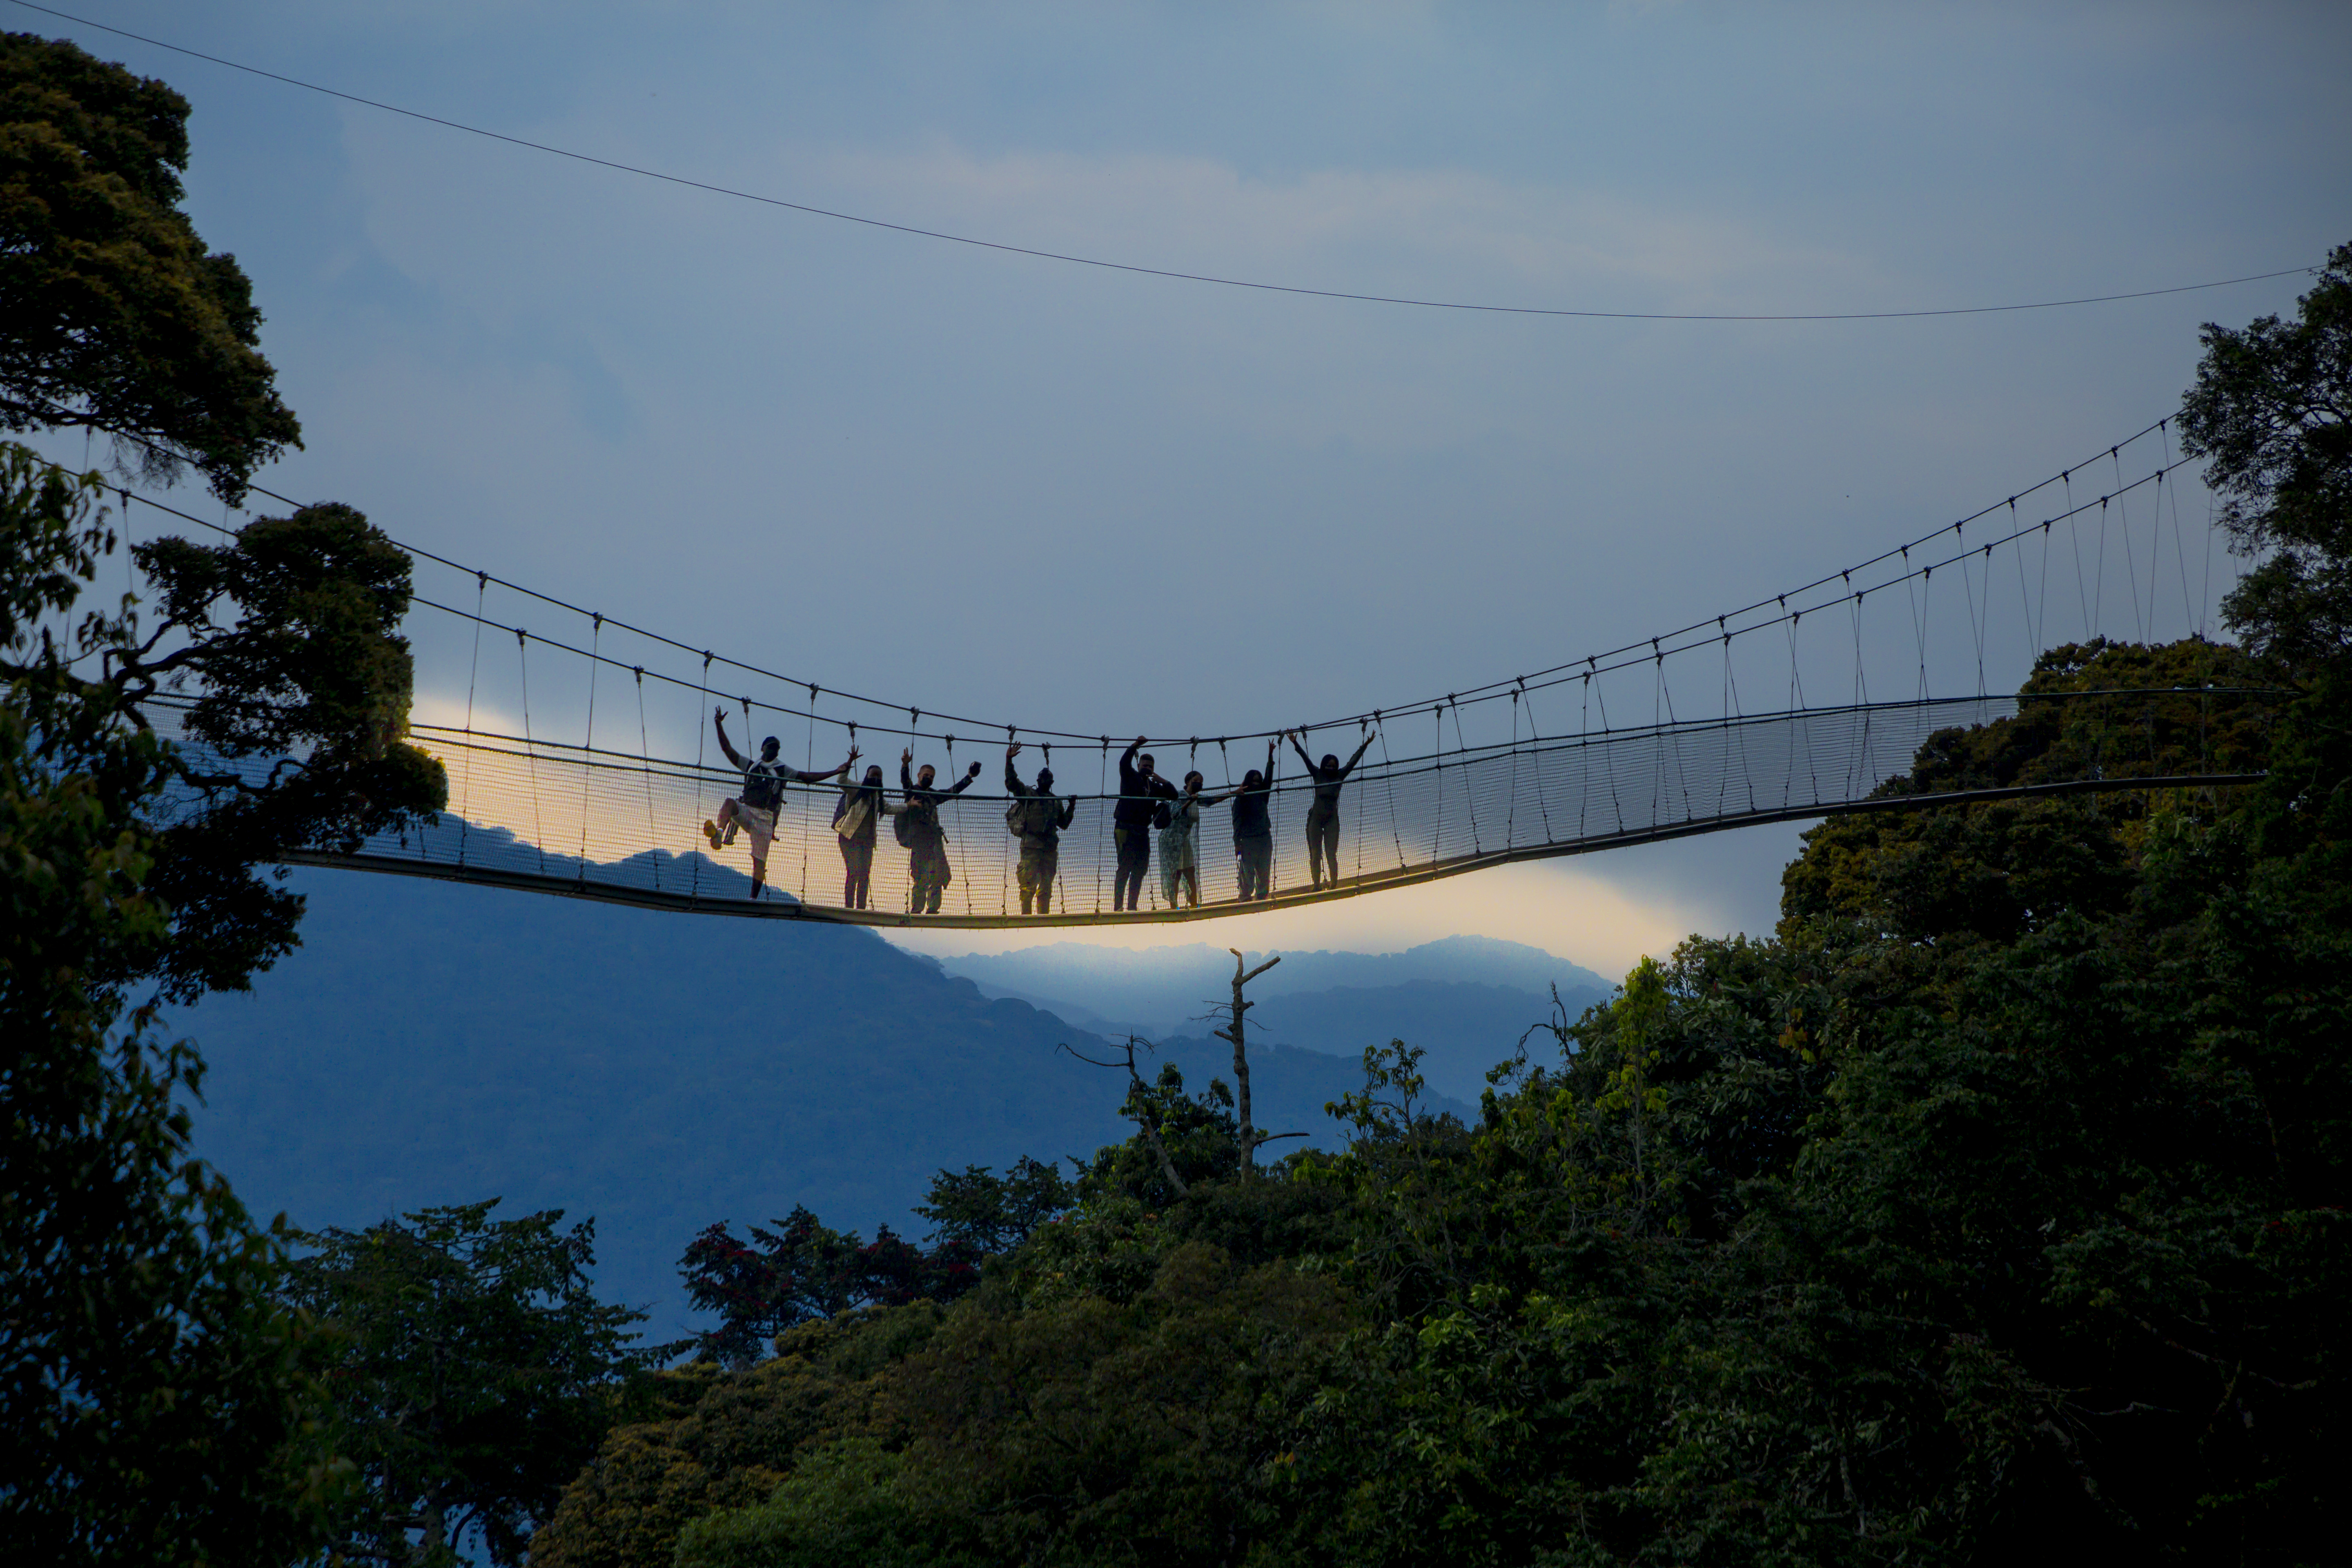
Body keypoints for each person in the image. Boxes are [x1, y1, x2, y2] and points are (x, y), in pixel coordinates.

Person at [705, 707, 855, 900]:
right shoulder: (750, 765)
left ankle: (753, 899)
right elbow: (728, 749)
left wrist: (836, 771)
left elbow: (807, 778)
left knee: (759, 862)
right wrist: (718, 724)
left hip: (765, 818)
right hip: (748, 810)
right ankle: (719, 831)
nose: (773, 750)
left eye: (776, 748)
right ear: (763, 748)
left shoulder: (782, 769)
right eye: (771, 747)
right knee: (729, 804)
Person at [1286, 726, 1378, 891]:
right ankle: (1316, 885)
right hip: (1315, 818)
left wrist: (1366, 745)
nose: (1331, 767)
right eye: (1328, 765)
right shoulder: (1317, 774)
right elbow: (1306, 759)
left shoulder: (1340, 776)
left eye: (1333, 765)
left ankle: (1333, 884)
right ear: (1323, 765)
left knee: (1330, 853)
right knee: (1315, 854)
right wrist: (1296, 744)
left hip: (1332, 820)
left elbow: (1353, 762)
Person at [900, 746, 983, 914]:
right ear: (919, 775)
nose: (929, 778)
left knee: (937, 875)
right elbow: (905, 783)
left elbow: (953, 791)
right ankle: (917, 909)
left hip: (934, 842)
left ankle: (933, 909)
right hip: (919, 842)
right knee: (920, 877)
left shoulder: (933, 795)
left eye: (931, 777)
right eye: (926, 775)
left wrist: (970, 777)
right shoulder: (913, 793)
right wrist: (905, 766)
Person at [1003, 742, 1077, 915]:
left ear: (1051, 782)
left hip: (1049, 848)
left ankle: (1043, 918)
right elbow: (1012, 783)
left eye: (1047, 780)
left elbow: (1064, 824)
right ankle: (1026, 917)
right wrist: (1009, 761)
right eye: (1042, 779)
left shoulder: (1055, 801)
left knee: (1046, 888)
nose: (1044, 781)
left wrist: (1071, 806)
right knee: (1027, 887)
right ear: (1038, 781)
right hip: (1031, 846)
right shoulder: (1029, 795)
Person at [1112, 735, 1178, 911]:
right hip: (1125, 828)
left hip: (1142, 831)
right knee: (1125, 867)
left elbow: (1174, 795)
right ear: (1139, 765)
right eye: (1144, 766)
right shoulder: (1130, 777)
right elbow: (1124, 762)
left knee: (1140, 870)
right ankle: (1118, 908)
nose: (1147, 769)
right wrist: (1136, 745)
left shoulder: (1153, 786)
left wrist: (1160, 779)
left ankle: (1132, 907)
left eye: (1150, 767)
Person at [832, 762, 905, 910]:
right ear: (867, 776)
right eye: (873, 776)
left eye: (879, 777)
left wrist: (908, 806)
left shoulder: (877, 796)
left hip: (867, 841)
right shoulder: (858, 788)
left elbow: (890, 808)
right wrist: (847, 767)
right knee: (854, 872)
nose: (876, 779)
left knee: (865, 875)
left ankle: (861, 908)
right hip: (849, 837)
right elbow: (842, 782)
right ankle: (849, 907)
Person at [1227, 737, 1280, 901]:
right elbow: (1237, 822)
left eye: (1259, 781)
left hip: (1265, 838)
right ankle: (1244, 897)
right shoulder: (1241, 799)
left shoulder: (1264, 795)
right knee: (1247, 871)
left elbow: (1269, 778)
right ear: (1248, 782)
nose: (1257, 783)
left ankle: (1262, 896)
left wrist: (1270, 756)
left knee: (1264, 870)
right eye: (1254, 781)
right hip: (1248, 840)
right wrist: (1237, 843)